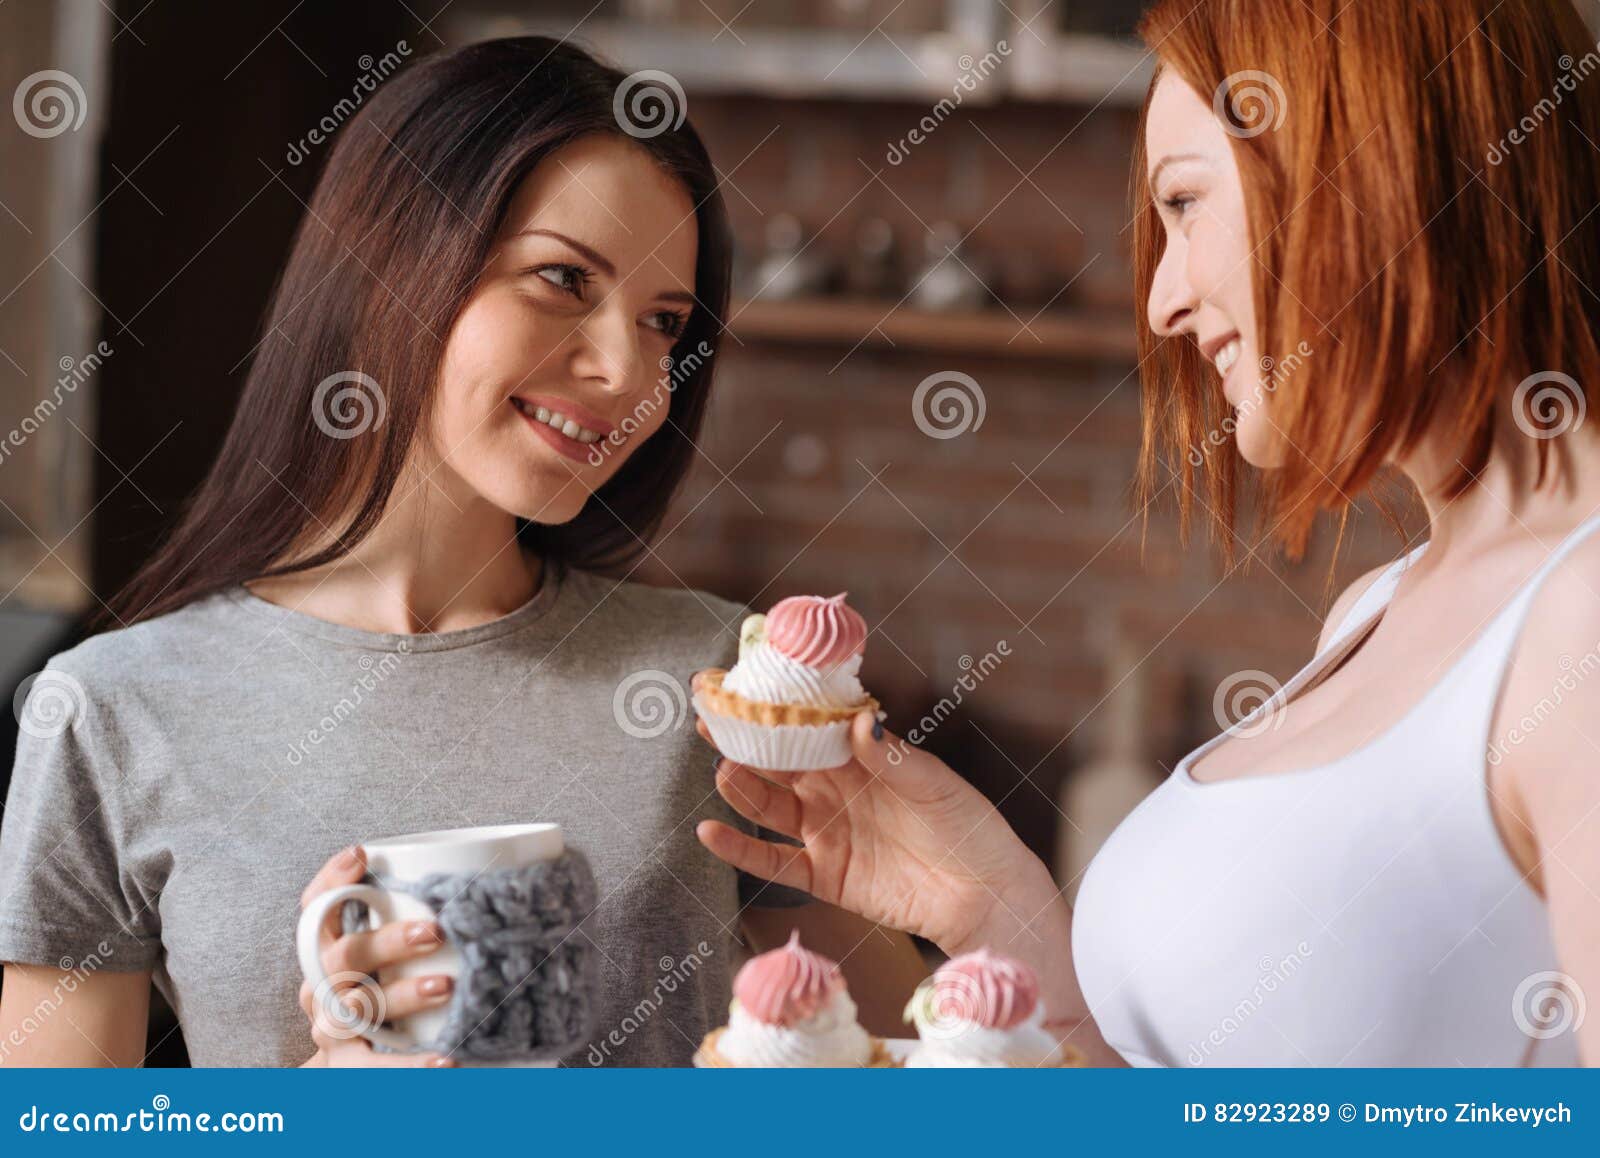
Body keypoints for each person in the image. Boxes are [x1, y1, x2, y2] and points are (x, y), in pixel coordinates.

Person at [697, 0, 1600, 1066]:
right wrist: (994, 909)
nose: (1165, 302)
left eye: (1184, 203)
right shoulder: (1378, 606)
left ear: (1368, 167)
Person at [0, 37, 922, 1068]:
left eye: (665, 322)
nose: (628, 372)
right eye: (563, 279)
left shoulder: (712, 683)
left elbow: (952, 1088)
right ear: (391, 262)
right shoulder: (111, 710)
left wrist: (975, 899)